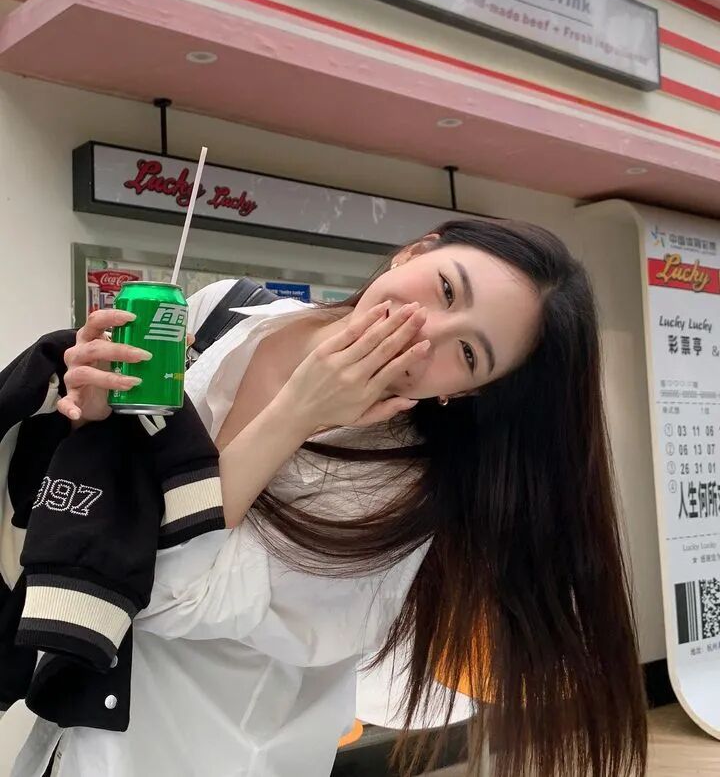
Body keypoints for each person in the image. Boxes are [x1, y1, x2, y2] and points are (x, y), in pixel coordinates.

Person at [52, 219, 647, 777]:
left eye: (467, 354)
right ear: (415, 250)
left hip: (198, 751)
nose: (423, 335)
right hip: (73, 711)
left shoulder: (398, 494)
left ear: (468, 393)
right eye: (446, 288)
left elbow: (159, 595)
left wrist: (298, 412)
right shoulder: (226, 313)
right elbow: (102, 497)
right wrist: (92, 414)